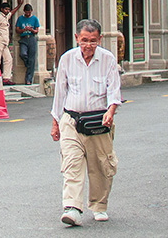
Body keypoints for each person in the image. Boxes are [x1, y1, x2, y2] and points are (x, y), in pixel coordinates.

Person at [50, 18, 121, 227]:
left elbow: (114, 91)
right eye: (83, 40)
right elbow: (60, 93)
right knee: (71, 163)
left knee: (100, 167)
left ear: (100, 39)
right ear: (76, 39)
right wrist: (55, 122)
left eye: (92, 41)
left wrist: (111, 111)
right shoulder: (67, 59)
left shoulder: (107, 59)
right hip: (71, 120)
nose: (88, 45)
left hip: (99, 122)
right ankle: (72, 207)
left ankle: (99, 205)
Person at [0, 0, 22, 85]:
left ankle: (6, 78)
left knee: (8, 59)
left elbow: (12, 12)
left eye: (8, 9)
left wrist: (19, 5)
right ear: (1, 9)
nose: (7, 11)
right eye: (6, 9)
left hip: (4, 42)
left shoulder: (6, 17)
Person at [15, 4, 40, 85]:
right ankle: (28, 64)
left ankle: (28, 79)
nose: (28, 14)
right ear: (24, 11)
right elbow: (17, 30)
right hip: (23, 38)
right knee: (23, 54)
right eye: (26, 12)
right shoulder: (20, 19)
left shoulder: (34, 19)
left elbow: (36, 30)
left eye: (29, 12)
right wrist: (23, 29)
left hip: (32, 38)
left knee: (32, 59)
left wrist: (31, 30)